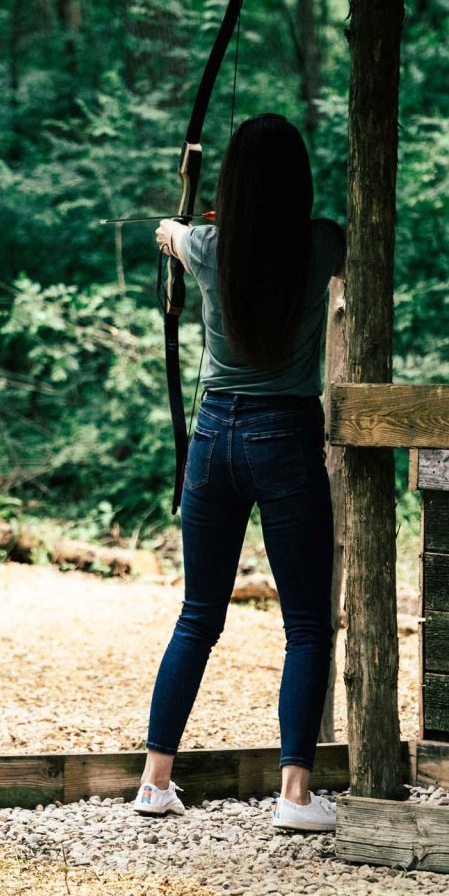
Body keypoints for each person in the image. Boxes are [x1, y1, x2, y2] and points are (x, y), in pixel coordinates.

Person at [133, 112, 346, 831]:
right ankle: (293, 797)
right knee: (308, 622)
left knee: (199, 613)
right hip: (284, 436)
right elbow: (345, 245)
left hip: (213, 435)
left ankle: (155, 781)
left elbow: (168, 231)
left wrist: (176, 218)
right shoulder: (322, 244)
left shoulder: (205, 244)